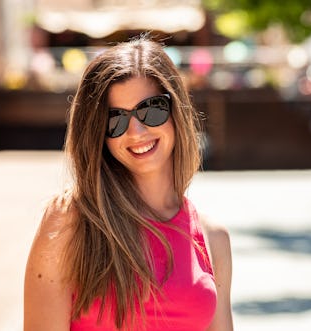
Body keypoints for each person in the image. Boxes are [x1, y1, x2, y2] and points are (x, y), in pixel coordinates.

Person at [24, 36, 233, 331]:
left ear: (177, 110)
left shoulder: (213, 240)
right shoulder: (69, 222)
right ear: (99, 132)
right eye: (115, 120)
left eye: (152, 109)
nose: (136, 132)